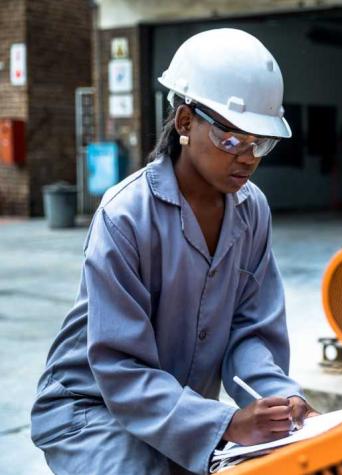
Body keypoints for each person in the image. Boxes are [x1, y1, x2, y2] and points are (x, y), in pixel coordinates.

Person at [30, 28, 317, 474]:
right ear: (185, 122)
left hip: (181, 415)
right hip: (91, 411)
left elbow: (251, 331)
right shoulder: (125, 214)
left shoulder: (251, 211)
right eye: (231, 139)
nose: (247, 158)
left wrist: (280, 401)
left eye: (260, 144)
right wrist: (224, 422)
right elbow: (120, 367)